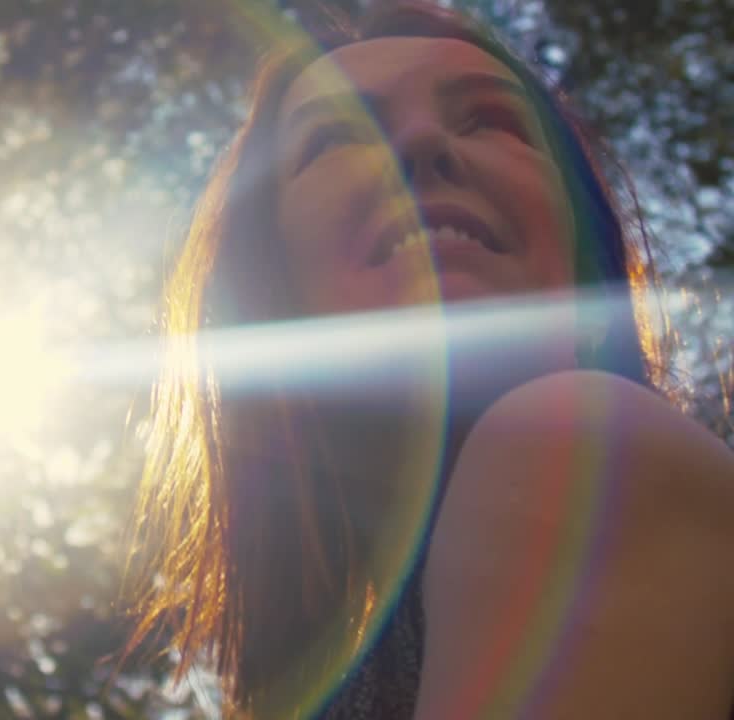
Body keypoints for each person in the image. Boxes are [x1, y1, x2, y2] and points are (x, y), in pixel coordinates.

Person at [122, 2, 734, 718]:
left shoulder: (581, 444)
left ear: (578, 236)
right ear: (271, 278)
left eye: (489, 120)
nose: (418, 142)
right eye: (340, 135)